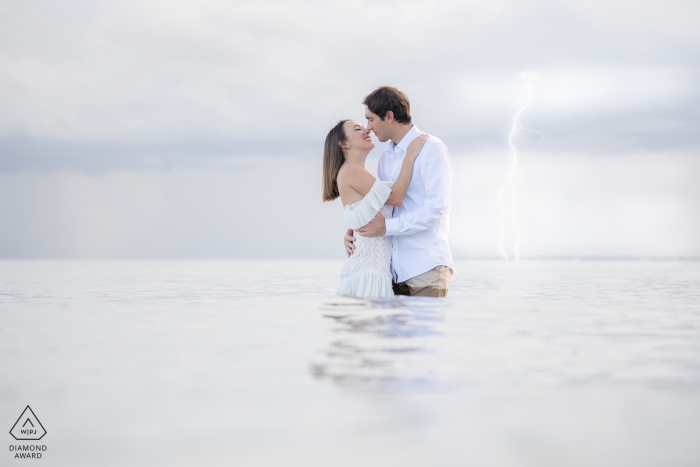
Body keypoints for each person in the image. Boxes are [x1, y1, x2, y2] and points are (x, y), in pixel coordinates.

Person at [345, 86, 455, 297]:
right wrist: (355, 231)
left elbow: (437, 208)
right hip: (393, 272)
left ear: (389, 116)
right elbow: (383, 206)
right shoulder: (386, 157)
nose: (368, 128)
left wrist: (387, 227)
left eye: (371, 119)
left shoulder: (431, 148)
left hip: (425, 267)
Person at [323, 119, 428, 298]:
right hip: (368, 273)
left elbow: (361, 214)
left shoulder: (356, 172)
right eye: (358, 129)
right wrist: (410, 156)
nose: (367, 130)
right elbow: (395, 197)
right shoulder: (350, 171)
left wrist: (352, 232)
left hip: (374, 272)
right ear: (344, 144)